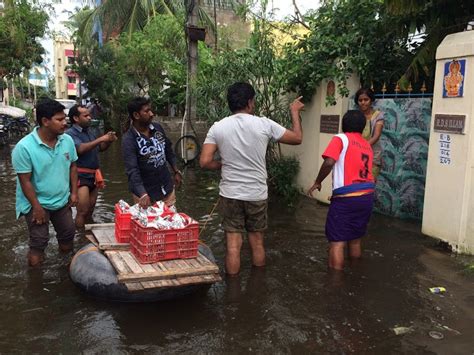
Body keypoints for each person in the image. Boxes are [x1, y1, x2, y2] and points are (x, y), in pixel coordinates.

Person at [200, 82, 304, 275]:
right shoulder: (264, 124)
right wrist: (294, 111)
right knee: (257, 243)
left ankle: (232, 293)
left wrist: (223, 164)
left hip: (230, 194)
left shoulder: (218, 127)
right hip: (256, 194)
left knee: (232, 247)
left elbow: (205, 162)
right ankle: (258, 288)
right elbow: (297, 138)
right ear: (249, 102)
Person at [12, 98, 78, 267]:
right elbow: (24, 181)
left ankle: (65, 270)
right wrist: (37, 207)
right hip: (36, 203)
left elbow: (72, 166)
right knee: (39, 242)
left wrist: (74, 192)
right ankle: (35, 283)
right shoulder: (24, 147)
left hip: (61, 200)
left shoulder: (67, 141)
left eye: (65, 118)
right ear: (45, 121)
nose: (65, 123)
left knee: (68, 234)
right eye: (60, 119)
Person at [307, 110, 375, 271]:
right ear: (362, 127)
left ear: (343, 125)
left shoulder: (340, 139)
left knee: (337, 242)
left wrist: (317, 181)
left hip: (347, 196)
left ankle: (335, 284)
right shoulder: (367, 145)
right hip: (367, 196)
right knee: (356, 239)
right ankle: (355, 274)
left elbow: (329, 162)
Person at [122, 97, 182, 209]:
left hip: (166, 188)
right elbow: (132, 170)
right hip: (146, 194)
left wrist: (176, 170)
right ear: (136, 115)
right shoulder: (129, 140)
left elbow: (168, 149)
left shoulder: (157, 129)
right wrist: (142, 193)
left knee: (171, 222)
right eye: (146, 111)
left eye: (151, 110)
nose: (151, 114)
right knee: (150, 225)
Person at [66, 105, 117, 228]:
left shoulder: (90, 131)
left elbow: (100, 148)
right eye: (86, 115)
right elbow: (80, 149)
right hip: (80, 176)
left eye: (89, 115)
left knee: (90, 211)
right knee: (82, 211)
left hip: (93, 175)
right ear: (76, 118)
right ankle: (79, 237)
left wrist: (108, 141)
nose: (90, 117)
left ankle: (87, 235)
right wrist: (101, 139)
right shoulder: (70, 134)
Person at [354, 88, 384, 179]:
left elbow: (376, 136)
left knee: (370, 183)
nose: (363, 102)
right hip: (356, 154)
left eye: (366, 100)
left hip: (373, 155)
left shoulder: (378, 115)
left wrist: (363, 147)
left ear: (371, 100)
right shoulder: (355, 115)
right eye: (360, 100)